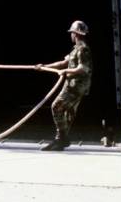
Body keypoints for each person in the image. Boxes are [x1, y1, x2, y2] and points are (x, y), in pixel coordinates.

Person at [37, 20, 93, 151]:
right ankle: (60, 141)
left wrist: (66, 71)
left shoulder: (83, 49)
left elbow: (82, 69)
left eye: (72, 33)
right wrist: (44, 66)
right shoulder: (76, 49)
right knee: (68, 113)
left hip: (76, 86)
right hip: (73, 85)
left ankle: (61, 139)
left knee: (56, 106)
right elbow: (63, 62)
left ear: (75, 34)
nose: (71, 35)